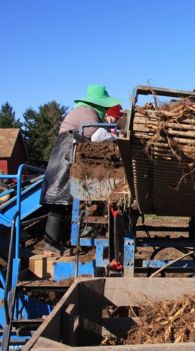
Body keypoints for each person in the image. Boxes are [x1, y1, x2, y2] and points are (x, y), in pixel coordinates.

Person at [41, 85, 122, 255]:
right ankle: (51, 243)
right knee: (59, 202)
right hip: (66, 156)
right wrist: (117, 138)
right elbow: (96, 135)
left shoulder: (83, 110)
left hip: (66, 153)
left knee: (61, 203)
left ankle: (55, 242)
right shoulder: (87, 112)